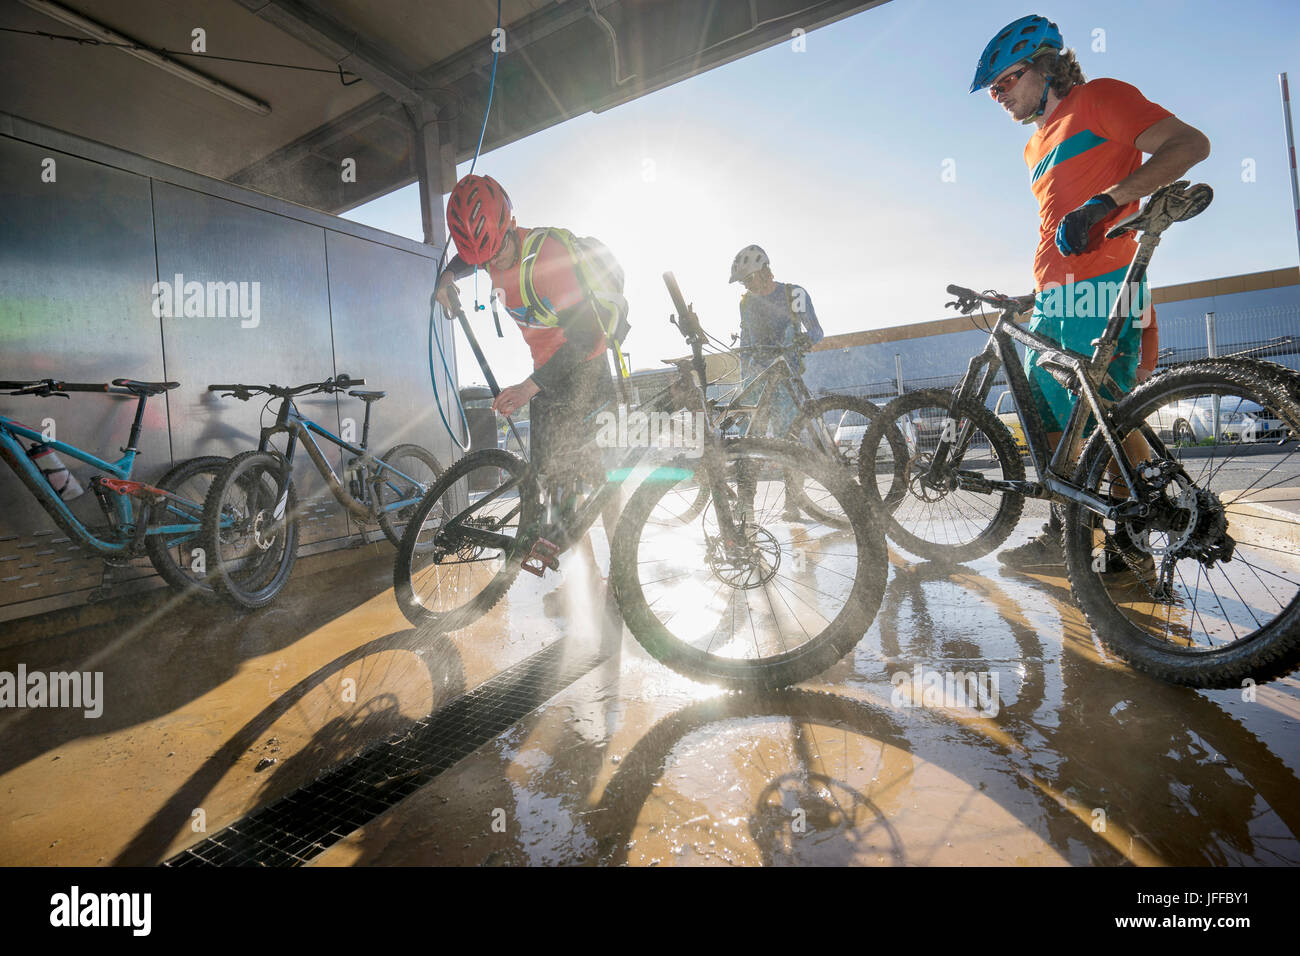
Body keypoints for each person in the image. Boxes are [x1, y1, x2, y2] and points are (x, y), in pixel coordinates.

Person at [968, 14, 1211, 568]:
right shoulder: (1034, 146)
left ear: (1045, 67)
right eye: (993, 91)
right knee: (1054, 411)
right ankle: (1068, 529)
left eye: (1005, 81)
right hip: (1058, 293)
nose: (998, 96)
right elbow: (1057, 217)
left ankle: (1132, 542)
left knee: (1101, 410)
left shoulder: (1098, 98)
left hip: (1101, 283)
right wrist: (1040, 289)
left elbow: (1188, 144)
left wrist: (1107, 202)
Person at [433, 174, 621, 603]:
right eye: (481, 260)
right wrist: (447, 275)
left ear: (511, 222)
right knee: (554, 485)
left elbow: (588, 339)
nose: (492, 265)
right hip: (545, 378)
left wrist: (527, 388)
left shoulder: (548, 257)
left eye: (497, 251)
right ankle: (587, 578)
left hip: (587, 373)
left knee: (604, 479)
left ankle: (623, 576)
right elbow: (471, 258)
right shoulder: (484, 253)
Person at [729, 244, 825, 440]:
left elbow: (816, 331)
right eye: (743, 282)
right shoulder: (746, 302)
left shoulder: (794, 294)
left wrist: (805, 340)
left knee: (787, 435)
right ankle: (748, 469)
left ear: (764, 270)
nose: (747, 286)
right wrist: (744, 379)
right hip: (756, 378)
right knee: (750, 435)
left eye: (748, 279)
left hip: (786, 376)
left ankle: (791, 470)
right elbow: (745, 344)